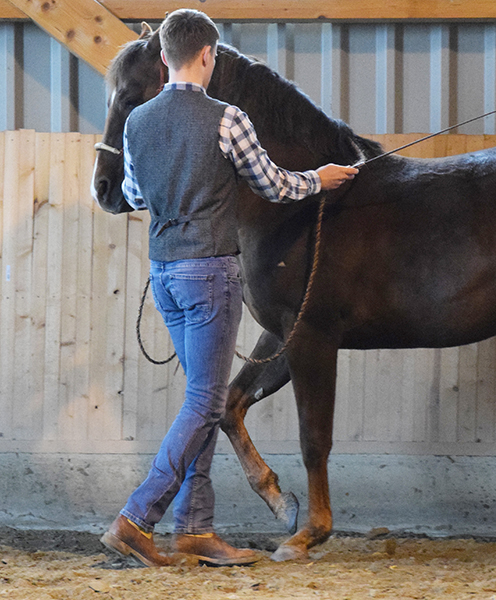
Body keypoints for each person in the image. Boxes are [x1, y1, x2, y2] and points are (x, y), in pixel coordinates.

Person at [100, 8, 358, 567]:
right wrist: (323, 178)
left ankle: (194, 528)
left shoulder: (139, 122)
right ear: (208, 55)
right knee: (207, 402)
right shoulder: (229, 118)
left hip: (164, 274)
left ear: (163, 59)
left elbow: (136, 196)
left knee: (203, 402)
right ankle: (136, 518)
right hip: (211, 274)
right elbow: (272, 184)